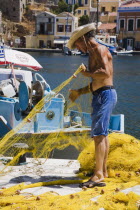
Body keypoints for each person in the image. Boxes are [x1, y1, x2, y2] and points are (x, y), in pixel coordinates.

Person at [67, 23, 117, 188]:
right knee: (102, 134)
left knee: (99, 135)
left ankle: (98, 175)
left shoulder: (99, 50)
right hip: (101, 94)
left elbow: (105, 74)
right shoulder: (92, 52)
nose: (78, 48)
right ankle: (102, 171)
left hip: (105, 94)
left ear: (83, 38)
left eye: (78, 44)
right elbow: (96, 82)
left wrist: (86, 73)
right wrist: (79, 92)